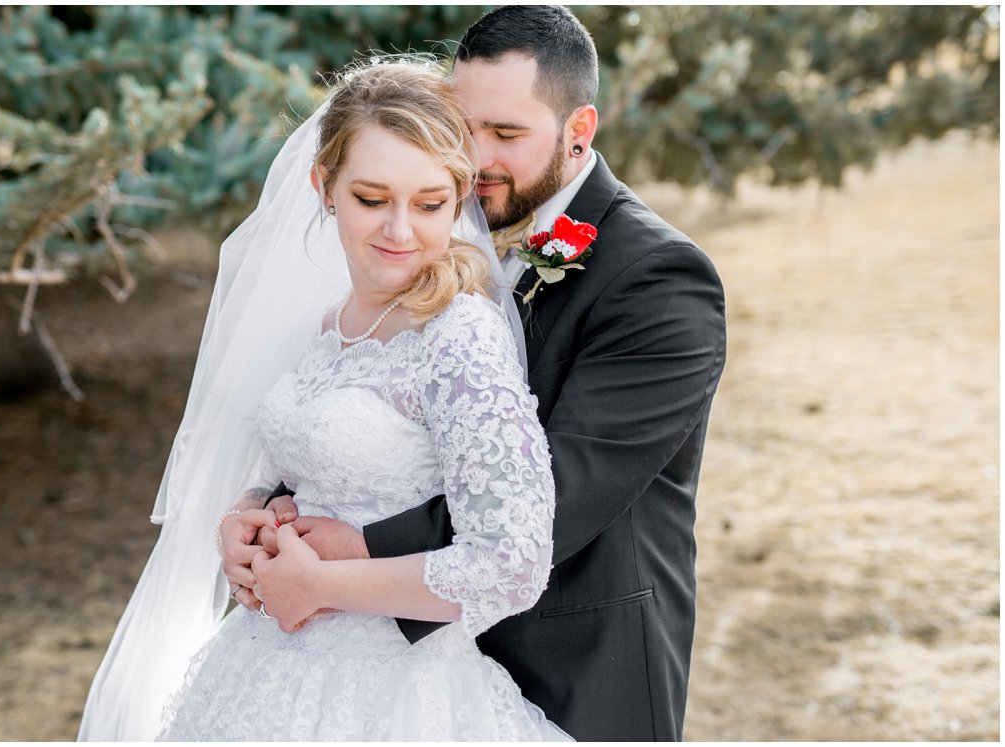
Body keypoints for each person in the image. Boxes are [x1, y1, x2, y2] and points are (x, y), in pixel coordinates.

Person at [228, 6, 727, 742]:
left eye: (506, 133)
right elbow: (370, 408)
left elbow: (560, 492)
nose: (475, 157)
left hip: (571, 663)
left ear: (579, 130)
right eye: (465, 126)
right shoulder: (428, 247)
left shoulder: (658, 278)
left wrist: (347, 544)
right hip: (389, 661)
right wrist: (266, 511)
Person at [79, 59, 571, 741]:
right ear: (324, 187)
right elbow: (304, 465)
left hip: (394, 693)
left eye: (429, 204)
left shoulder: (459, 337)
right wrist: (246, 518)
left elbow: (510, 565)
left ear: (458, 195)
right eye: (372, 198)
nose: (400, 231)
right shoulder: (326, 323)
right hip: (260, 668)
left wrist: (322, 584)